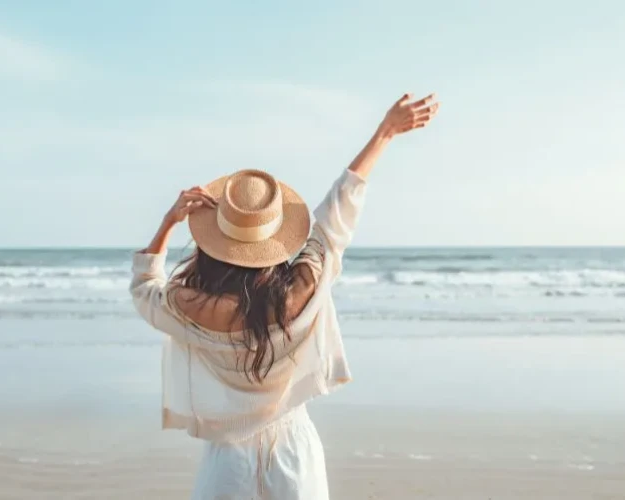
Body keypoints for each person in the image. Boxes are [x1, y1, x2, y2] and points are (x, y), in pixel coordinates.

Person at [130, 92, 440, 499]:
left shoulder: (189, 308)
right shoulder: (302, 291)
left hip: (226, 463)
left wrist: (169, 222)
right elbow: (338, 213)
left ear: (212, 244)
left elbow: (144, 289)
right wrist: (385, 132)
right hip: (295, 454)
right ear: (274, 241)